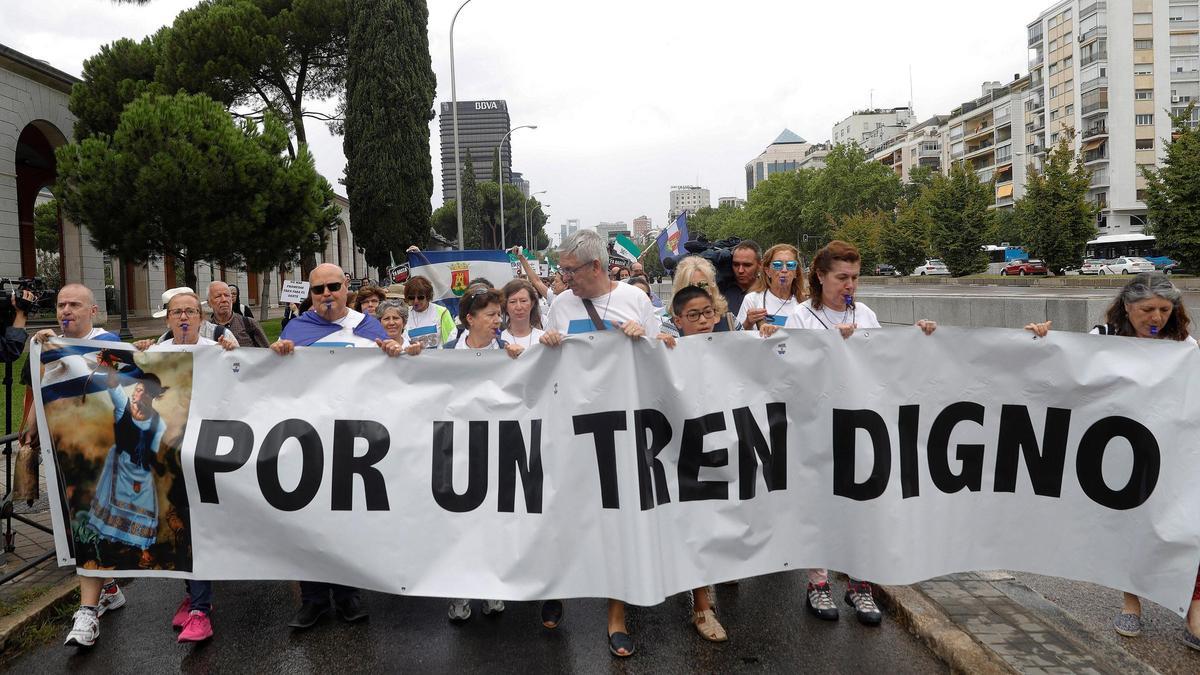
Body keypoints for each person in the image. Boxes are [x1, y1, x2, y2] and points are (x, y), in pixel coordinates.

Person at [1025, 272, 1200, 648]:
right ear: (1127, 307)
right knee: (1130, 522)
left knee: (1184, 520)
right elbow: (1064, 369)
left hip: (1169, 448)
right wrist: (1042, 339)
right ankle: (1131, 601)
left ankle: (1193, 606)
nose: (1156, 318)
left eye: (1165, 310)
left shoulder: (1183, 343)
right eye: (1147, 310)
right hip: (1119, 449)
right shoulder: (1102, 340)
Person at [786, 240, 936, 626]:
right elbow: (789, 373)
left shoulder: (866, 314)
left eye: (855, 277)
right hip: (817, 428)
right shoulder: (802, 317)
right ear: (820, 276)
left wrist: (918, 337)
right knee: (819, 507)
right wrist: (832, 348)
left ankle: (859, 584)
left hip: (861, 427)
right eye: (842, 277)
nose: (850, 285)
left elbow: (887, 364)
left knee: (862, 506)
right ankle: (818, 583)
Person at [539, 229, 667, 658]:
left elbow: (662, 361)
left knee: (616, 518)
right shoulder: (559, 305)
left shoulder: (636, 300)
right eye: (561, 270)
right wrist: (547, 344)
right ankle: (558, 586)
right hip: (573, 428)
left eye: (569, 270)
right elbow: (549, 371)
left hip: (623, 427)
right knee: (567, 513)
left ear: (595, 266)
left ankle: (616, 616)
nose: (564, 277)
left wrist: (644, 338)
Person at [270, 264, 393, 629]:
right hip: (310, 440)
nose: (326, 294)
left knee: (347, 519)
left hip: (356, 441)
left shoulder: (367, 327)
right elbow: (278, 383)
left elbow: (392, 378)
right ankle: (313, 599)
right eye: (319, 289)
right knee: (308, 520)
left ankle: (349, 595)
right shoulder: (296, 329)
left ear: (345, 288)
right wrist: (278, 356)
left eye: (333, 287)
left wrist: (396, 353)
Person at [25, 285, 125, 649]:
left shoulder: (107, 341)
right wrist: (31, 429)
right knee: (78, 525)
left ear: (93, 311)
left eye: (75, 305)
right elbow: (40, 389)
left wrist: (61, 351)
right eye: (61, 305)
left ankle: (86, 613)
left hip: (100, 451)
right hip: (62, 453)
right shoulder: (46, 347)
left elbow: (115, 379)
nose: (66, 310)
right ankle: (109, 590)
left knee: (87, 522)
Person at [657, 283, 731, 643]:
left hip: (724, 451)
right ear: (678, 320)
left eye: (708, 314)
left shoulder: (735, 348)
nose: (703, 321)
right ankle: (702, 604)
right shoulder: (666, 351)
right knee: (694, 522)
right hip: (683, 453)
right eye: (694, 316)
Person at [734, 243, 803, 331]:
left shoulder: (804, 303)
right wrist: (748, 322)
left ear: (796, 272)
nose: (784, 270)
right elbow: (737, 339)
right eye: (778, 265)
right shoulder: (752, 300)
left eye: (790, 265)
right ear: (768, 271)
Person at [672, 256, 735, 331]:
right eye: (690, 286)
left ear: (712, 288)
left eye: (703, 285)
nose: (697, 291)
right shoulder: (671, 327)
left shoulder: (730, 320)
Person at [206, 281, 269, 347]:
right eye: (218, 296)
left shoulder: (249, 324)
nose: (224, 299)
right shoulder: (205, 329)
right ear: (209, 303)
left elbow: (267, 352)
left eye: (227, 295)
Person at [404, 276, 455, 349]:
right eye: (411, 297)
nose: (416, 301)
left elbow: (451, 337)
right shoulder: (404, 314)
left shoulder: (442, 312)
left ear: (427, 296)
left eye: (420, 297)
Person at [500, 278, 544, 348]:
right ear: (505, 306)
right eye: (512, 302)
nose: (519, 307)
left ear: (532, 303)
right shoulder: (498, 340)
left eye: (523, 301)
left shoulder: (543, 339)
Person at [723, 240, 762, 318]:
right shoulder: (721, 290)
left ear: (760, 265)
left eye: (747, 265)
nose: (740, 270)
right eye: (736, 264)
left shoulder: (769, 292)